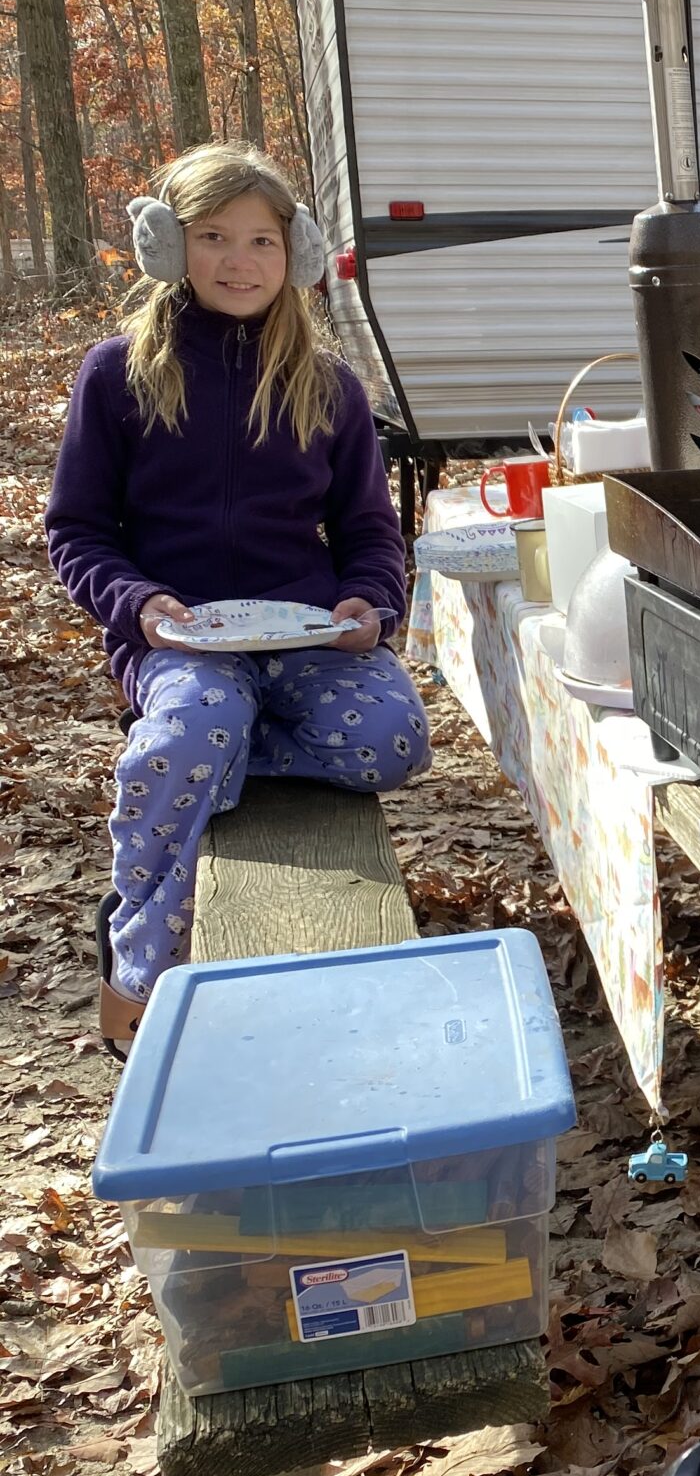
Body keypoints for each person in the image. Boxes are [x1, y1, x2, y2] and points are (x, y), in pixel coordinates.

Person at [47, 143, 429, 1043]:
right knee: (183, 737)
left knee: (392, 739)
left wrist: (367, 605)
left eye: (262, 240)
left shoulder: (326, 385)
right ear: (167, 247)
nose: (239, 260)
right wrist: (139, 605)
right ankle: (141, 962)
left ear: (293, 255)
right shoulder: (118, 374)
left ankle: (226, 750)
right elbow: (77, 532)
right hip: (177, 641)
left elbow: (372, 533)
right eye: (212, 235)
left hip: (303, 634)